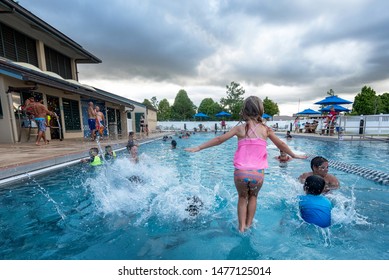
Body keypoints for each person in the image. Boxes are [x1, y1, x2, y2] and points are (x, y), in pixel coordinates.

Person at [185, 96, 307, 232]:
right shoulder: (266, 129)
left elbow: (220, 139)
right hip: (257, 174)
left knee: (242, 198)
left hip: (241, 173)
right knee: (253, 197)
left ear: (244, 111)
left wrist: (199, 147)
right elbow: (281, 144)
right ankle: (249, 225)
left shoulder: (240, 129)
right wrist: (294, 155)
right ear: (260, 110)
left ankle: (241, 227)